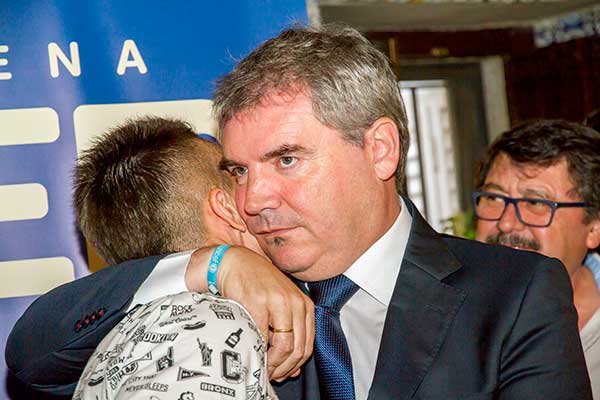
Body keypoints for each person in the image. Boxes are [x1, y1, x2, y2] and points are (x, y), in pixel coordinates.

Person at [7, 24, 592, 399]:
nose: (254, 198)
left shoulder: (514, 294)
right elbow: (33, 353)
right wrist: (211, 264)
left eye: (285, 159)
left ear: (379, 149)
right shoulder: (224, 301)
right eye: (238, 170)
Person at [69, 116, 285, 399]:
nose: (258, 194)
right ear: (225, 208)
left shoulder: (132, 329)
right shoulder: (209, 328)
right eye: (239, 174)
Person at [473, 119, 600, 398]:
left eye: (536, 203)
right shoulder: (438, 317)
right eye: (493, 198)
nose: (506, 224)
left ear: (593, 228)